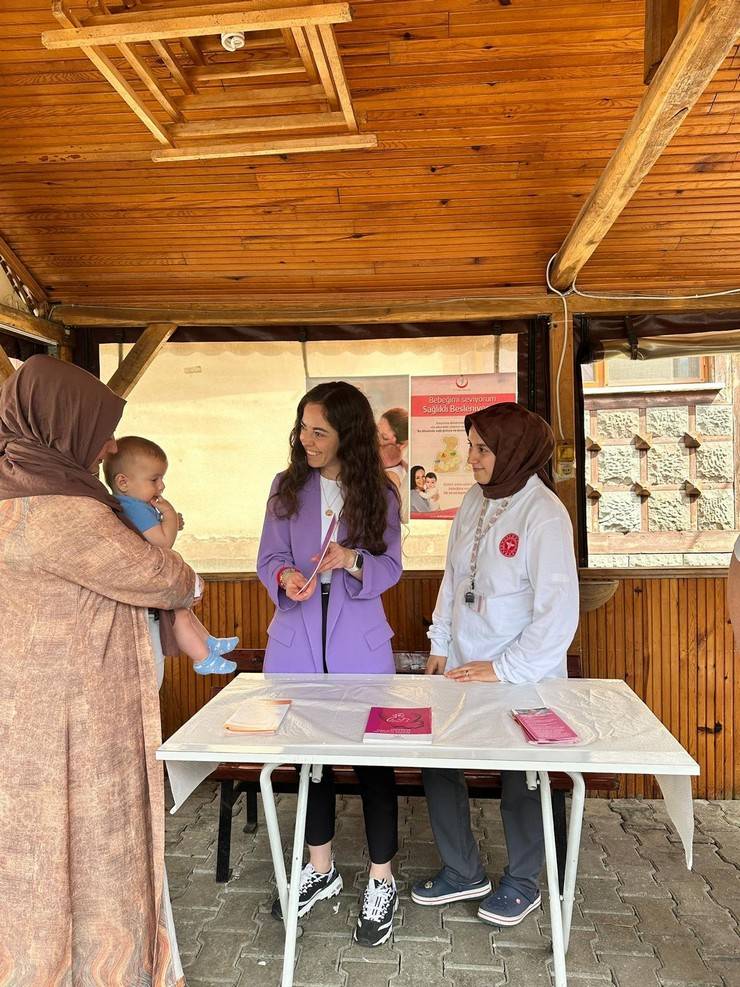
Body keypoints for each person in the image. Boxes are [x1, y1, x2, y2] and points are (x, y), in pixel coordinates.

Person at [0, 355, 199, 986]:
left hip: (21, 712)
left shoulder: (14, 493)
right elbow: (165, 579)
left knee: (31, 854)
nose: (108, 444)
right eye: (98, 426)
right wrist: (183, 564)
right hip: (81, 717)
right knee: (94, 853)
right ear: (61, 424)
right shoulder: (63, 512)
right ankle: (100, 970)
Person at [411, 402, 579, 927]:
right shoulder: (472, 501)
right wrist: (439, 644)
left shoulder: (544, 514)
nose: (471, 458)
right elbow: (452, 579)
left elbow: (558, 615)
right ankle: (463, 870)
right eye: (471, 447)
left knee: (522, 778)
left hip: (521, 677)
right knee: (438, 764)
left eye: (482, 448)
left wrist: (503, 669)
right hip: (461, 668)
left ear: (513, 451)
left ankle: (524, 881)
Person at [257, 380, 402, 948]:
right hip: (295, 644)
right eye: (302, 427)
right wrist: (284, 576)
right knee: (308, 761)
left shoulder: (381, 493)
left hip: (359, 647)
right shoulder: (285, 486)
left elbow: (391, 567)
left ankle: (380, 880)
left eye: (319, 430)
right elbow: (268, 555)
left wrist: (353, 560)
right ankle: (320, 869)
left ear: (349, 435)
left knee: (373, 765)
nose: (306, 439)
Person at [104, 435, 238, 676]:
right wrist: (169, 514)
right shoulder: (134, 507)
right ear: (123, 482)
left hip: (146, 583)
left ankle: (208, 643)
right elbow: (164, 542)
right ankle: (202, 657)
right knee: (181, 614)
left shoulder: (129, 506)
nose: (161, 487)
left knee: (183, 610)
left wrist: (170, 521)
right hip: (151, 582)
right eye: (154, 480)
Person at [377, 407, 408, 491]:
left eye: (384, 437)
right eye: (376, 431)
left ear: (402, 445)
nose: (376, 439)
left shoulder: (391, 476)